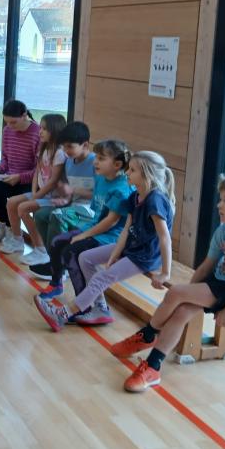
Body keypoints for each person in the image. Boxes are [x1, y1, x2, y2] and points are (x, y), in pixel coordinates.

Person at [112, 171, 225, 393]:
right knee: (181, 310)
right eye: (221, 199)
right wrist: (187, 293)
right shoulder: (224, 230)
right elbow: (206, 266)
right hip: (223, 282)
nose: (219, 205)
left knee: (176, 293)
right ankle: (153, 367)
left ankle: (148, 334)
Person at [33, 150, 176, 332]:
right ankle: (100, 308)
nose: (127, 173)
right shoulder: (135, 196)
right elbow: (127, 229)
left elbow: (164, 238)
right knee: (85, 258)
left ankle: (62, 314)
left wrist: (165, 273)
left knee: (101, 278)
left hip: (145, 256)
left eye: (132, 170)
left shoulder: (155, 200)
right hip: (131, 247)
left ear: (147, 175)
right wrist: (115, 253)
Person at [33, 139, 133, 325]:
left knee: (71, 252)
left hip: (110, 237)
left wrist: (82, 235)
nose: (95, 161)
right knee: (57, 242)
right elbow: (96, 212)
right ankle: (56, 284)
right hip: (95, 227)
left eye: (101, 158)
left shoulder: (121, 189)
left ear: (117, 165)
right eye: (97, 157)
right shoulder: (101, 179)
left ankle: (84, 307)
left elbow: (110, 223)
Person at [2, 114, 67, 258]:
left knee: (23, 208)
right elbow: (37, 172)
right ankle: (17, 240)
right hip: (41, 193)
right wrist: (34, 192)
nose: (40, 131)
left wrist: (36, 196)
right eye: (40, 128)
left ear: (55, 130)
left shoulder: (59, 153)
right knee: (11, 203)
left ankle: (40, 248)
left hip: (54, 197)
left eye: (44, 129)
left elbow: (53, 181)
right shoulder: (44, 148)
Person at [31, 121, 97, 260]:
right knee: (40, 214)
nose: (66, 151)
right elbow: (69, 192)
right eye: (64, 146)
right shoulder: (69, 162)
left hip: (91, 210)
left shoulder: (95, 163)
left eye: (70, 146)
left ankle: (56, 262)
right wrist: (65, 199)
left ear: (85, 145)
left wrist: (72, 190)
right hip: (73, 206)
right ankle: (51, 257)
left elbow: (99, 196)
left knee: (57, 216)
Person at [0, 100, 40, 243]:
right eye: (7, 122)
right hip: (10, 178)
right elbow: (5, 158)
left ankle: (12, 229)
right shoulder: (7, 131)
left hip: (30, 183)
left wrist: (19, 177)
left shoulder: (38, 133)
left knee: (0, 193)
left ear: (24, 116)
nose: (10, 126)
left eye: (13, 122)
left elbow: (40, 170)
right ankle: (6, 225)